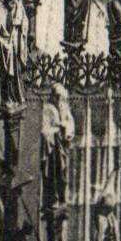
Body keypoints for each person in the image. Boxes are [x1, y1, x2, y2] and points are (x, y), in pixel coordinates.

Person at [41, 81, 76, 215]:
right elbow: (44, 130)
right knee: (52, 175)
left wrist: (66, 130)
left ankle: (63, 198)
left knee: (63, 173)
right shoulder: (48, 109)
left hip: (62, 148)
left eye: (62, 98)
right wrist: (56, 130)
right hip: (52, 150)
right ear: (54, 97)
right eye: (58, 97)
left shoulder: (65, 108)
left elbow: (70, 125)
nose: (60, 101)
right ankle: (52, 200)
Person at [0, 0, 28, 108]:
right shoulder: (1, 10)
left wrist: (20, 23)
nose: (13, 2)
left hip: (16, 46)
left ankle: (17, 96)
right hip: (5, 48)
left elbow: (25, 25)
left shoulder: (19, 8)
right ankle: (7, 98)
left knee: (16, 72)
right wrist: (2, 41)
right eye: (10, 0)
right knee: (6, 74)